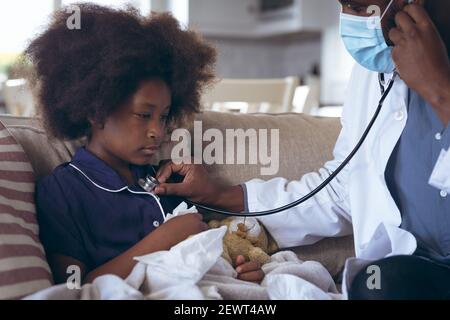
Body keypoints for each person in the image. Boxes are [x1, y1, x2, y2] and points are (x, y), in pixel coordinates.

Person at [153, 0, 450, 299]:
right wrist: (220, 195)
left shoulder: (432, 75)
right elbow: (342, 190)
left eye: (359, 8)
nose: (348, 19)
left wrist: (439, 90)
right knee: (378, 283)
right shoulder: (375, 74)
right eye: (343, 4)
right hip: (406, 275)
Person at [30, 4, 264, 285]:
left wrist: (240, 270)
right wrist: (162, 239)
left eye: (164, 117)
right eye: (143, 115)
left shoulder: (168, 180)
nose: (158, 131)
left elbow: (205, 254)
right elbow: (73, 286)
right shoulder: (62, 192)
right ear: (96, 111)